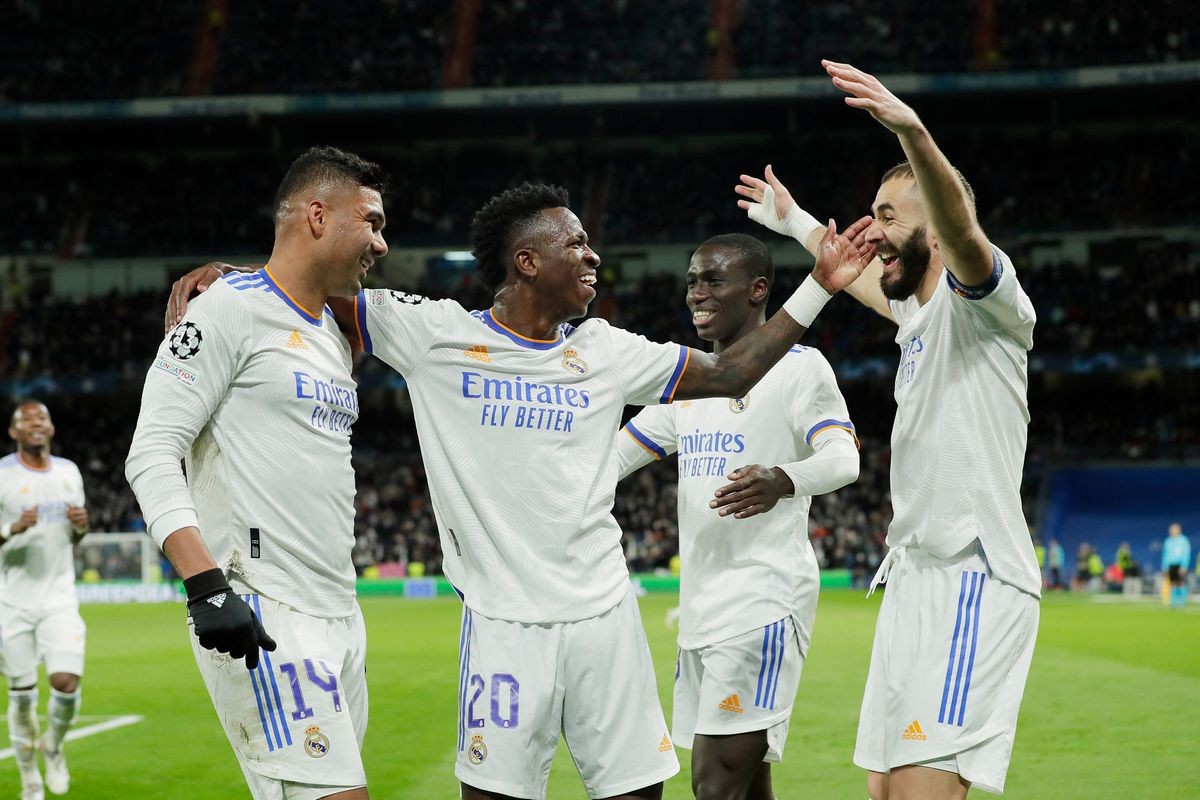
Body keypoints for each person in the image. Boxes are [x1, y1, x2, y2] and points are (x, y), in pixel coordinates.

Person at [168, 182, 876, 800]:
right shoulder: (432, 333)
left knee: (638, 792)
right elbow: (304, 288)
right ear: (527, 261)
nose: (594, 256)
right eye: (577, 243)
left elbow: (730, 374)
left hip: (606, 618)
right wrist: (234, 280)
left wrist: (821, 284)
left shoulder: (606, 349)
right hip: (503, 626)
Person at [737, 60, 1039, 799]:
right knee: (882, 789)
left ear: (935, 227)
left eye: (890, 216)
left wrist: (913, 132)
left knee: (917, 792)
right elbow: (862, 279)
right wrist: (795, 221)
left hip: (972, 575)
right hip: (913, 577)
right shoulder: (916, 315)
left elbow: (962, 232)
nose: (872, 230)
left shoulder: (989, 306)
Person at [126, 146, 389, 800]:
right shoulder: (225, 308)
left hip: (339, 609)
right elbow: (152, 449)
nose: (382, 244)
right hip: (261, 605)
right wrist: (205, 585)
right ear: (318, 217)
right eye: (372, 222)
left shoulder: (333, 336)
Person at [615, 233, 860, 799]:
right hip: (701, 608)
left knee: (714, 784)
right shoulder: (694, 382)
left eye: (712, 280)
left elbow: (844, 458)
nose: (696, 293)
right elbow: (611, 459)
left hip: (762, 600)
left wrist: (783, 479)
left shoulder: (800, 368)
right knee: (747, 789)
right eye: (691, 281)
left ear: (757, 290)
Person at [0, 400, 89, 800]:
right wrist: (11, 528)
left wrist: (81, 527)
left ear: (51, 429)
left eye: (42, 418)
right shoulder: (2, 475)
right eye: (27, 420)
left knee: (66, 683)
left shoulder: (69, 472)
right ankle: (29, 779)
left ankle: (53, 744)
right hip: (11, 603)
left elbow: (75, 536)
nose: (36, 423)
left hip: (59, 598)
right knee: (21, 697)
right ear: (14, 432)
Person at [1161, 523, 1191, 609]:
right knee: (1172, 583)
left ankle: (1182, 603)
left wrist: (1184, 565)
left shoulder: (1183, 540)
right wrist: (1164, 567)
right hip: (1171, 565)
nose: (1172, 531)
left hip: (1180, 565)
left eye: (1174, 529)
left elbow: (1186, 554)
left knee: (1181, 583)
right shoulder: (1168, 541)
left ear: (1179, 530)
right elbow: (1165, 555)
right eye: (1171, 529)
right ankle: (1173, 603)